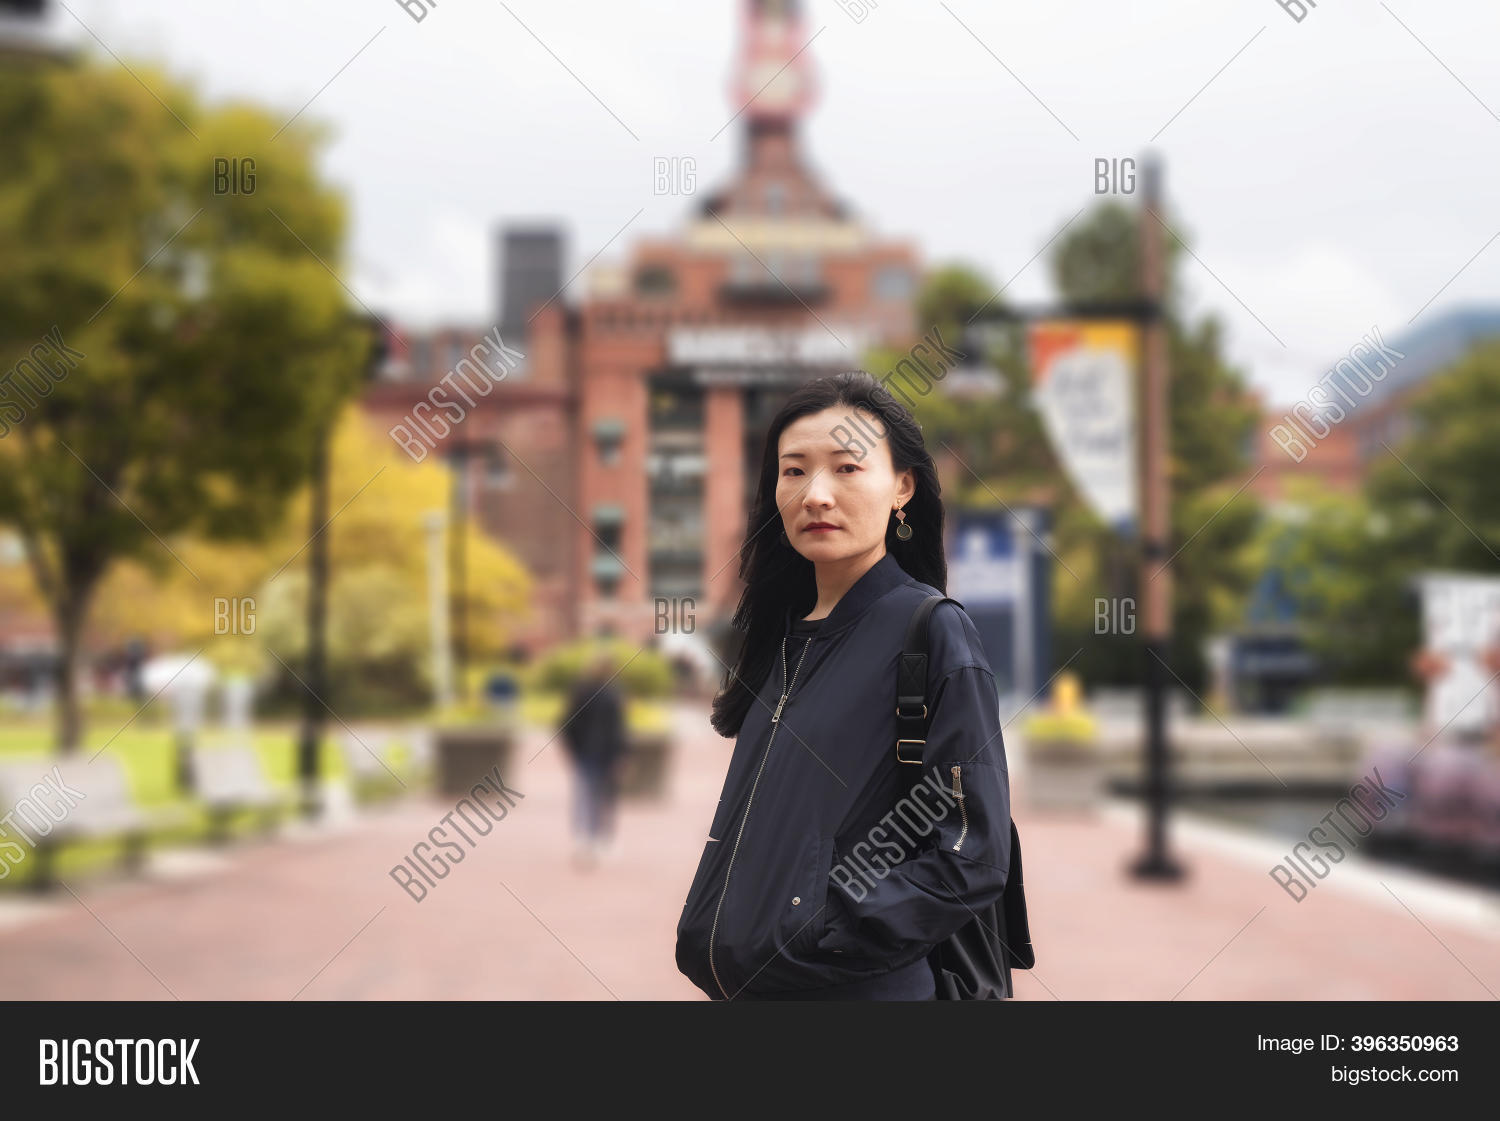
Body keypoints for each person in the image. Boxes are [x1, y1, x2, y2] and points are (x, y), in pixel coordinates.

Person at [675, 371, 1014, 1001]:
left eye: (847, 468)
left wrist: (822, 931)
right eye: (794, 470)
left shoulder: (932, 632)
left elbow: (973, 850)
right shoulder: (780, 639)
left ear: (902, 488)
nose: (816, 495)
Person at [560, 650, 627, 868]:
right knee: (604, 797)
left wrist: (575, 749)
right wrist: (621, 754)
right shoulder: (614, 694)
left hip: (588, 752)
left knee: (587, 795)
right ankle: (598, 839)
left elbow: (567, 724)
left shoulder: (582, 691)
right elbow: (619, 729)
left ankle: (585, 840)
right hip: (604, 753)